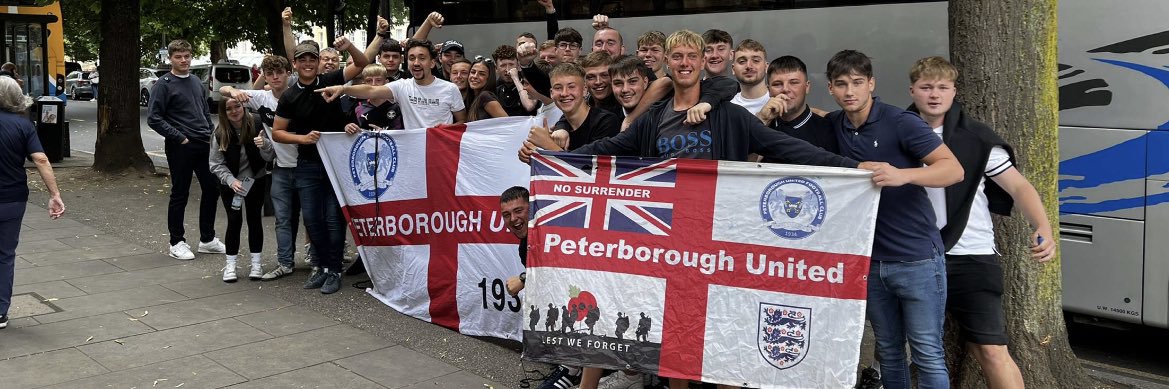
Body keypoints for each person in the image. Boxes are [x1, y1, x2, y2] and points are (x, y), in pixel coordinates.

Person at [520, 31, 861, 389]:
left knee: (725, 331)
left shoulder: (728, 115)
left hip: (719, 243)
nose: (684, 63)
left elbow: (789, 148)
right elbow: (608, 149)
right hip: (670, 243)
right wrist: (555, 157)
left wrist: (854, 168)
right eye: (677, 57)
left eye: (691, 57)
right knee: (674, 330)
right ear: (668, 64)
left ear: (701, 63)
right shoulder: (653, 119)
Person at [908, 56, 1055, 389]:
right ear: (912, 90)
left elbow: (1018, 185)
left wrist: (1043, 227)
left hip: (971, 256)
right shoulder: (895, 132)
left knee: (990, 350)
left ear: (954, 91)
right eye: (926, 87)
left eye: (942, 87)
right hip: (913, 256)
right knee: (912, 351)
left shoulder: (976, 138)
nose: (934, 94)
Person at [822, 49, 963, 389]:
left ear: (871, 83)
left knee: (927, 352)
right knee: (887, 351)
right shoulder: (834, 125)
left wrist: (904, 175)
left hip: (917, 259)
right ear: (830, 89)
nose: (850, 91)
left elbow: (953, 170)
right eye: (841, 85)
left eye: (857, 82)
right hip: (869, 262)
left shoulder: (900, 121)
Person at [270, 37, 367, 295]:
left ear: (318, 62)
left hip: (335, 162)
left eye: (312, 58)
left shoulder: (331, 80)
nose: (308, 63)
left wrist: (348, 47)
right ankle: (322, 267)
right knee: (312, 220)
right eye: (303, 59)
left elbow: (362, 63)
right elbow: (277, 132)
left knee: (334, 219)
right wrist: (302, 138)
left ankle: (334, 269)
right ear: (295, 64)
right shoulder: (290, 95)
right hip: (307, 164)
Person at [220, 54, 306, 281]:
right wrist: (233, 91)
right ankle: (285, 263)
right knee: (283, 219)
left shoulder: (300, 94)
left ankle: (318, 263)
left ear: (289, 73)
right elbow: (223, 91)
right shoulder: (261, 97)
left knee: (313, 218)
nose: (275, 77)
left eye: (280, 72)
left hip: (307, 166)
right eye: (270, 73)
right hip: (279, 168)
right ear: (265, 76)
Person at [148, 39, 226, 260]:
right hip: (180, 146)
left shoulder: (195, 82)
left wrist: (212, 134)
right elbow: (154, 118)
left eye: (186, 56)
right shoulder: (163, 84)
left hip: (204, 144)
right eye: (178, 57)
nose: (183, 60)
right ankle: (176, 242)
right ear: (170, 58)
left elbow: (203, 111)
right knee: (180, 193)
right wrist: (179, 137)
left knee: (212, 188)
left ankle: (207, 239)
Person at [0, 76, 64, 330]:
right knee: (5, 255)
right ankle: (1, 311)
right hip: (12, 199)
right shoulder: (23, 126)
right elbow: (41, 160)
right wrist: (54, 194)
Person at [318, 39, 466, 129]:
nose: (416, 63)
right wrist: (343, 89)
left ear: (432, 62)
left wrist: (446, 129)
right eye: (412, 58)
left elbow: (462, 122)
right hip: (412, 155)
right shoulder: (402, 86)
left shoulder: (450, 89)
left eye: (422, 58)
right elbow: (370, 90)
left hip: (441, 154)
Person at [208, 97, 274, 282]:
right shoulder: (220, 132)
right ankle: (230, 266)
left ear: (243, 107)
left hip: (256, 179)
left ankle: (256, 264)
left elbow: (270, 156)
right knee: (234, 221)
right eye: (229, 109)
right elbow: (215, 164)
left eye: (237, 106)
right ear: (223, 113)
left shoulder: (258, 123)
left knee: (254, 220)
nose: (235, 111)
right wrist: (230, 180)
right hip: (232, 183)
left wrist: (265, 145)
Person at [756, 55, 838, 154]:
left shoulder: (828, 130)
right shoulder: (761, 126)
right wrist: (761, 121)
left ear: (807, 87)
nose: (785, 89)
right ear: (768, 90)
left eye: (794, 83)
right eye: (777, 84)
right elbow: (744, 162)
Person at [493, 45, 539, 116]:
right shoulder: (494, 90)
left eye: (511, 64)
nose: (507, 70)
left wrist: (515, 78)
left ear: (518, 66)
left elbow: (529, 106)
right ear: (496, 69)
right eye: (503, 65)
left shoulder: (529, 83)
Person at [729, 39, 770, 115]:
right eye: (742, 61)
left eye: (756, 60)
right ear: (733, 69)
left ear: (766, 67)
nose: (749, 66)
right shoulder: (727, 109)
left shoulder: (780, 100)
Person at [580, 51, 623, 119]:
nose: (598, 82)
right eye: (591, 77)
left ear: (613, 77)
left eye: (604, 75)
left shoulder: (624, 108)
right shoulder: (582, 105)